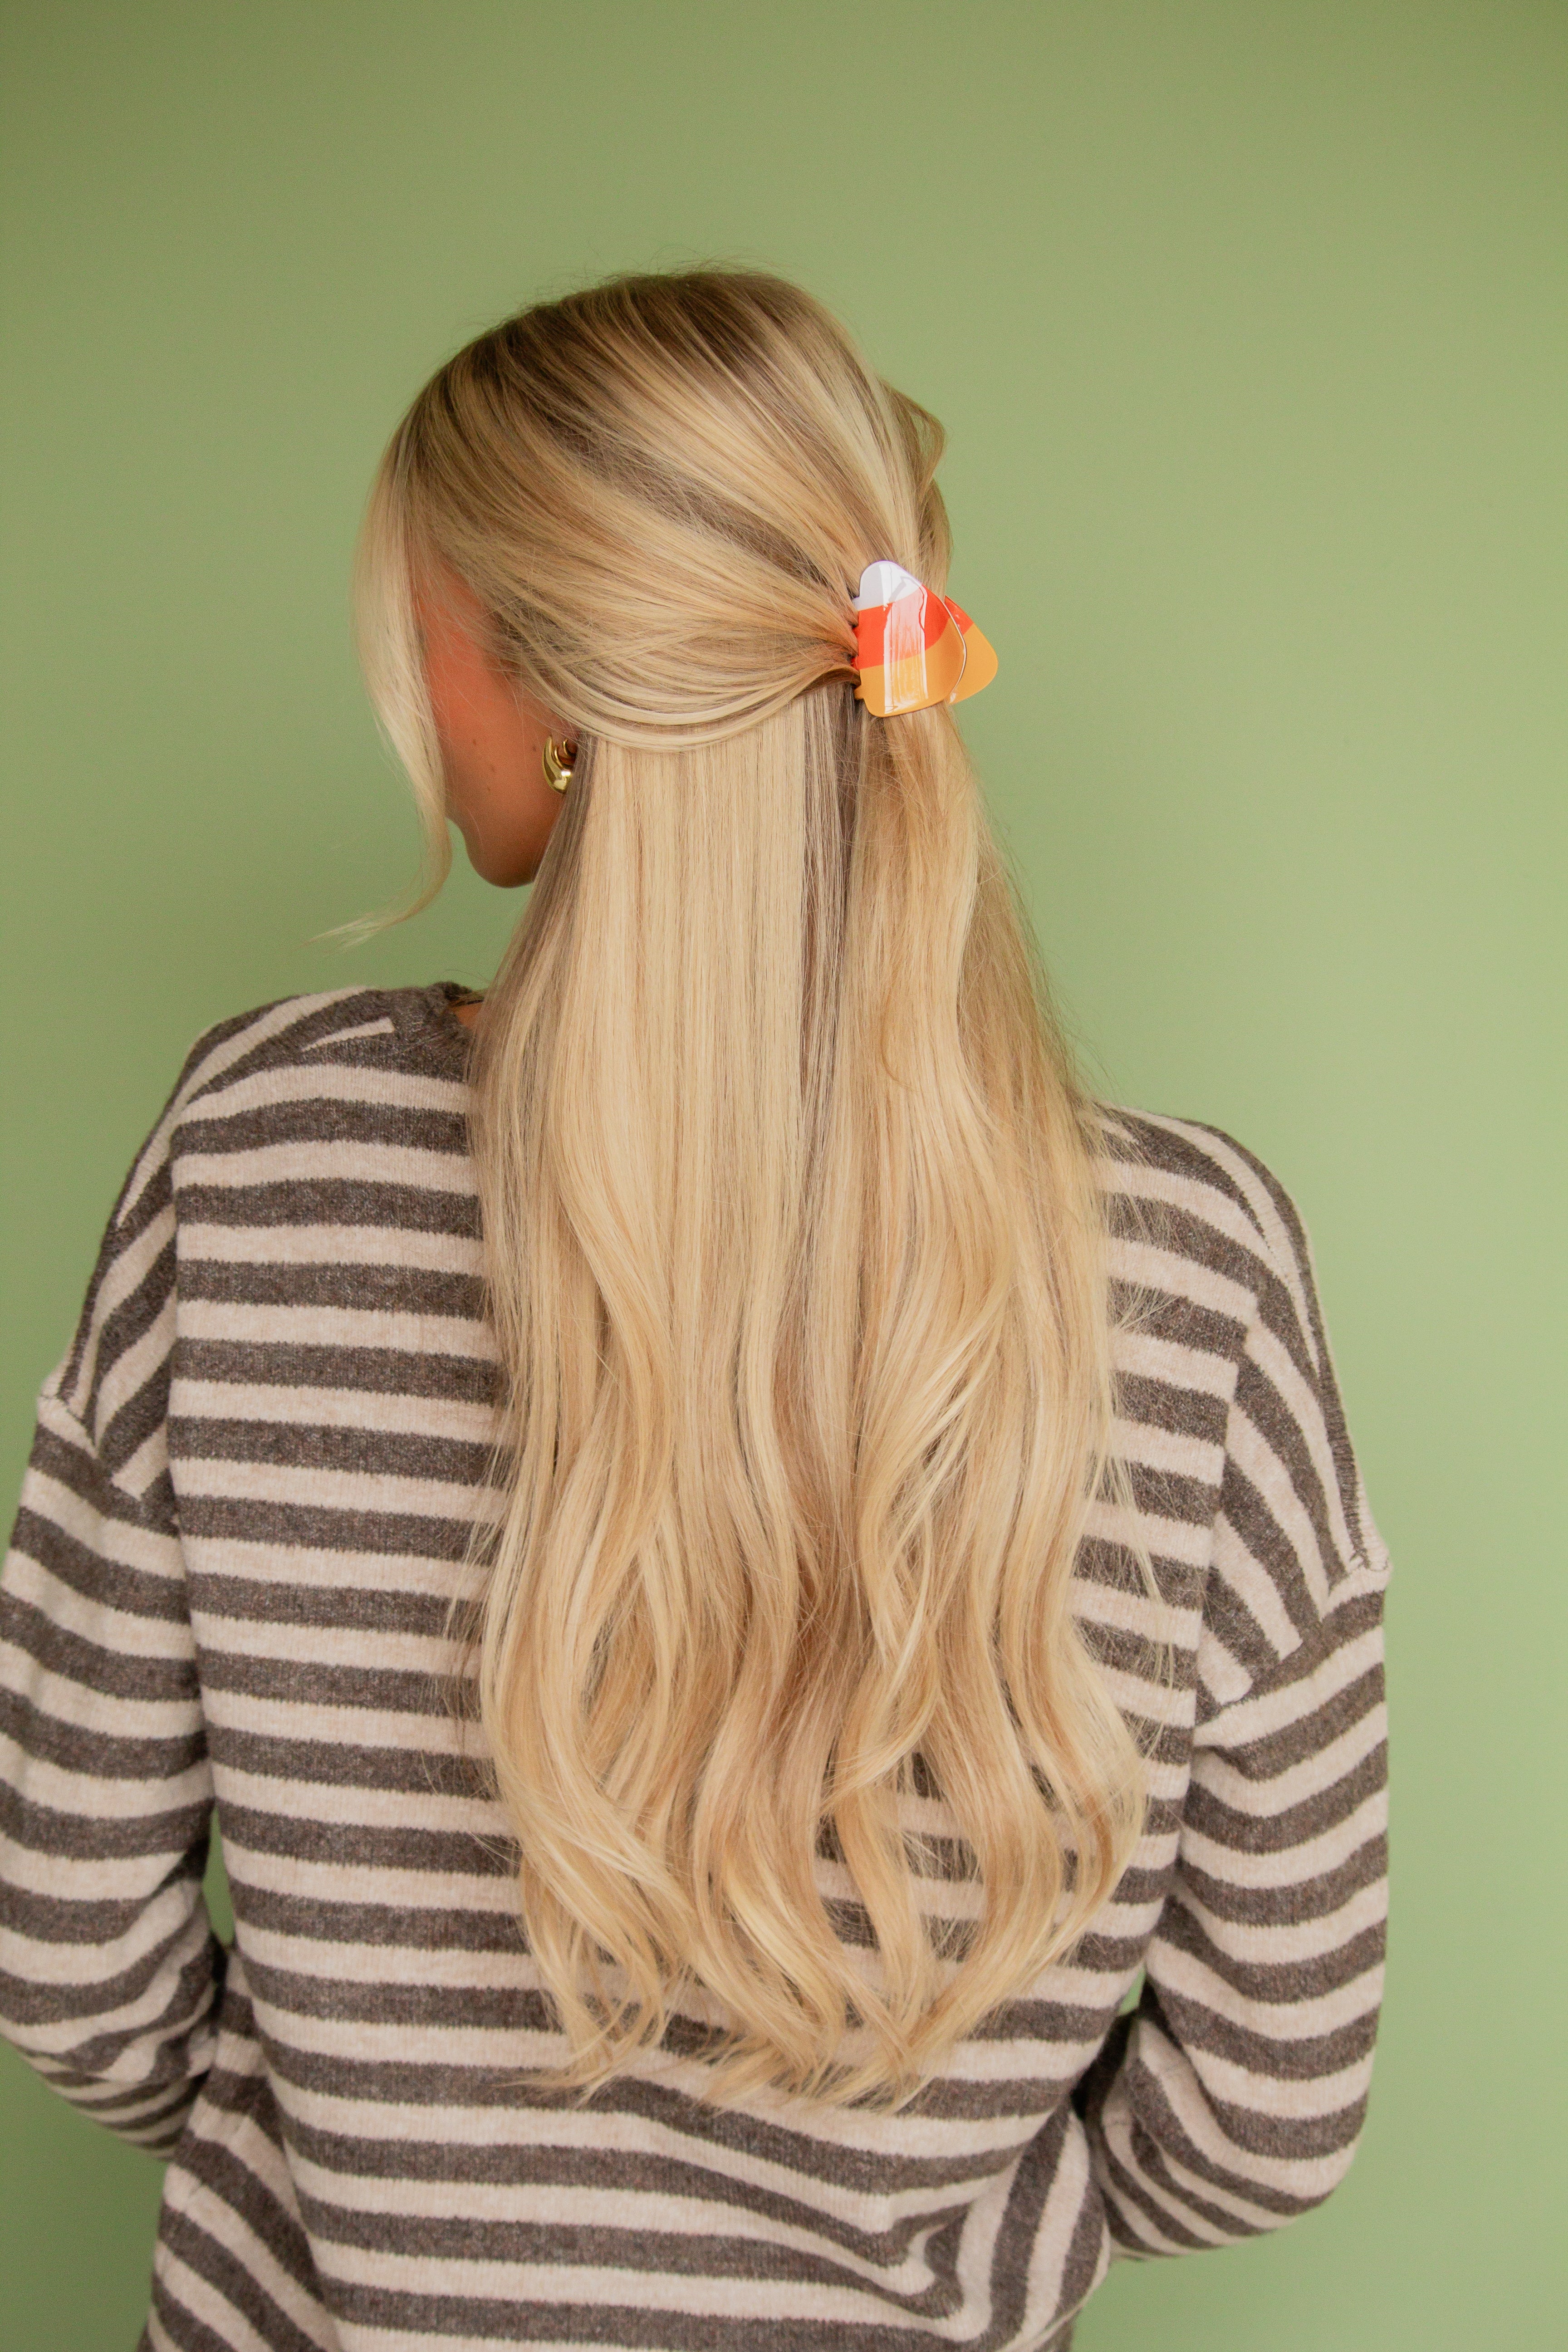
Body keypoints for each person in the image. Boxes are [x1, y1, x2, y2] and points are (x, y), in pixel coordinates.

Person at [0, 268, 1390, 2352]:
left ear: (540, 673)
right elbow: (1266, 2123)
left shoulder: (256, 1153)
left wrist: (352, 2165)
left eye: (421, 631)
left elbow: (69, 1964)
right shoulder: (1200, 1271)